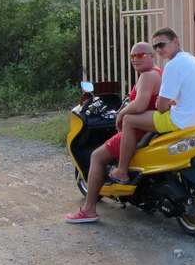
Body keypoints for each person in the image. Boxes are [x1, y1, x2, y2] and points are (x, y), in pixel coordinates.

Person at [65, 42, 161, 223]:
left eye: (140, 55)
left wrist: (121, 114)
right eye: (132, 56)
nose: (135, 59)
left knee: (96, 156)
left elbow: (140, 105)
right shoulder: (158, 73)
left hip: (137, 130)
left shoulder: (147, 76)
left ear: (151, 55)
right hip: (148, 127)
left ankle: (89, 209)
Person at [107, 27, 195, 182]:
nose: (159, 49)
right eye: (155, 46)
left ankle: (121, 171)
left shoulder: (173, 65)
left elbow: (161, 107)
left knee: (129, 120)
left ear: (176, 42)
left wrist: (122, 112)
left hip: (182, 121)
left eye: (162, 44)